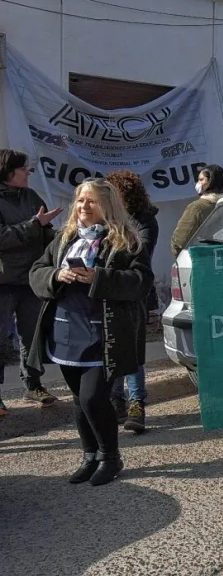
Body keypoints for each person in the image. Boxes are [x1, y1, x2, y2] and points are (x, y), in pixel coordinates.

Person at [28, 179, 152, 485]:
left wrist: (98, 276)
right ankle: (90, 455)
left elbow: (140, 282)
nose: (84, 206)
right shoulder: (63, 239)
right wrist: (58, 274)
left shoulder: (127, 241)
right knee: (78, 400)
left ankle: (111, 457)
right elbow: (36, 272)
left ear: (107, 206)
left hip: (104, 334)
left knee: (93, 397)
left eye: (92, 201)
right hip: (66, 332)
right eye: (81, 200)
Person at [0, 149, 61, 410]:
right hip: (3, 283)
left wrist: (63, 239)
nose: (28, 173)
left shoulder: (31, 196)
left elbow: (44, 230)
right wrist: (34, 225)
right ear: (8, 171)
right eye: (25, 169)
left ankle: (33, 385)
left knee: (32, 337)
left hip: (31, 278)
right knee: (1, 340)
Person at [104, 170, 159, 434]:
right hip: (107, 294)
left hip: (134, 294)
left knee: (133, 352)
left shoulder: (144, 221)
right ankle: (116, 401)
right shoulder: (105, 221)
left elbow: (140, 252)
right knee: (111, 350)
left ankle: (137, 403)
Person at [171, 165, 223, 258]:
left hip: (202, 260)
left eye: (201, 180)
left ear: (210, 182)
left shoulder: (197, 207)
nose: (198, 183)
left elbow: (180, 241)